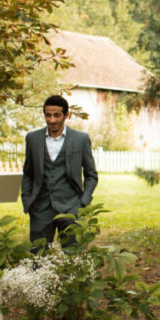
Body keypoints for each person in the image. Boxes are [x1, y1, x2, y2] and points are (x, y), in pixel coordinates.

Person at [21, 95, 98, 247]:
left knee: (73, 257)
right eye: (48, 115)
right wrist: (27, 199)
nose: (52, 120)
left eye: (57, 115)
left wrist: (83, 202)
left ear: (66, 115)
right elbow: (28, 173)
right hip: (40, 208)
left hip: (71, 208)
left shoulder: (80, 139)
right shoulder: (33, 139)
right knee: (38, 257)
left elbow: (91, 175)